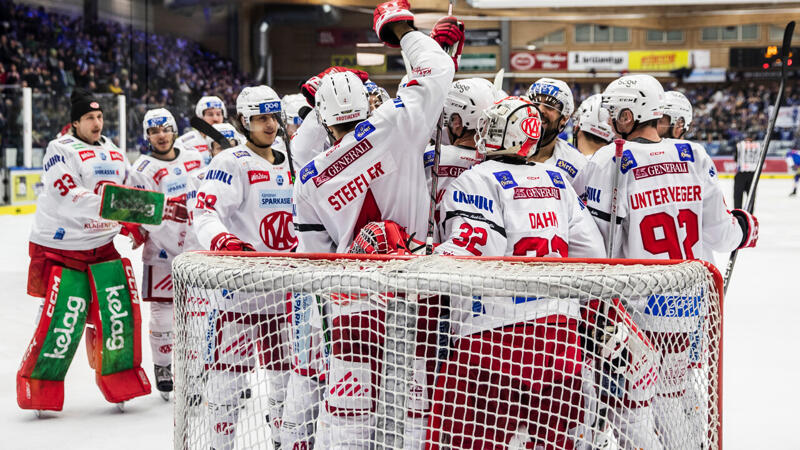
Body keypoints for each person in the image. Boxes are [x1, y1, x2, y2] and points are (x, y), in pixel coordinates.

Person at [290, 2, 460, 446]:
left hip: (353, 304)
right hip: (416, 292)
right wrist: (403, 31)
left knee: (348, 419)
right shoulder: (394, 125)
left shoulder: (309, 179)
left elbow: (314, 259)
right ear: (367, 102)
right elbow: (437, 69)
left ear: (322, 116)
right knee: (415, 415)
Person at [576, 74, 759, 449]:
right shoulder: (693, 155)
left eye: (615, 112)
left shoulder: (612, 160)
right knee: (675, 400)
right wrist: (746, 227)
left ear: (629, 114)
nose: (611, 120)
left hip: (637, 310)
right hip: (689, 306)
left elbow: (595, 247)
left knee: (629, 408)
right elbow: (722, 234)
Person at [430, 96, 605, 448]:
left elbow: (478, 250)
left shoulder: (475, 178)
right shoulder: (557, 181)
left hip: (491, 341)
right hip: (560, 341)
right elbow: (593, 254)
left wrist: (421, 257)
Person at [17, 89, 151, 413]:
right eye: (89, 117)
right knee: (60, 321)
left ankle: (121, 381)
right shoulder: (59, 149)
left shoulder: (113, 149)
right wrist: (119, 209)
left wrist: (137, 216)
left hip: (101, 245)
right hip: (62, 247)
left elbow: (135, 185)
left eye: (100, 116)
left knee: (119, 313)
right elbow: (68, 196)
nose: (97, 122)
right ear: (75, 122)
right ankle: (41, 389)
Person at [192, 85, 296, 450]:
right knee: (226, 384)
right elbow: (204, 211)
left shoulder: (292, 159)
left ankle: (284, 441)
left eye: (274, 117)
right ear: (243, 121)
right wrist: (222, 240)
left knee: (286, 383)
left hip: (284, 294)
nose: (270, 125)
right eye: (261, 118)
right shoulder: (230, 162)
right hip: (238, 293)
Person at [128, 108, 204, 400]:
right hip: (161, 252)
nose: (161, 135)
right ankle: (162, 366)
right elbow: (140, 212)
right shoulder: (142, 169)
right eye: (154, 131)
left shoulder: (194, 158)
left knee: (196, 317)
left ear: (174, 130)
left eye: (165, 129)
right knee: (162, 316)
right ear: (147, 136)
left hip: (194, 250)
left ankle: (194, 374)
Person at [425, 77, 496, 241]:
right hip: (481, 256)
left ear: (456, 122)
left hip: (431, 253)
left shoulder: (430, 157)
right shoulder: (495, 165)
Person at [527, 78, 588, 184]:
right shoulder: (506, 151)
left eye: (549, 106)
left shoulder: (576, 163)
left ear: (564, 118)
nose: (540, 110)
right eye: (535, 104)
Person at [175, 95, 227, 166]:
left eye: (218, 114)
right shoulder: (184, 143)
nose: (215, 119)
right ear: (200, 118)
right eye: (210, 114)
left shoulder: (234, 140)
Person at [733, 135, 760, 209]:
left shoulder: (740, 145)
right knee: (751, 196)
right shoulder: (758, 145)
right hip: (753, 174)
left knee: (738, 196)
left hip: (741, 173)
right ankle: (750, 215)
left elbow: (736, 158)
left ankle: (738, 214)